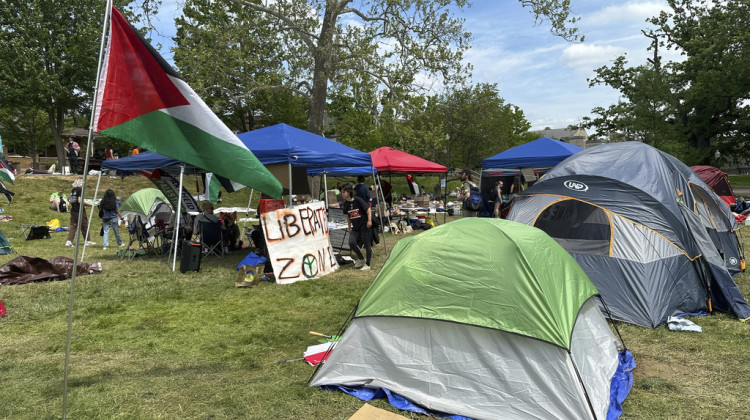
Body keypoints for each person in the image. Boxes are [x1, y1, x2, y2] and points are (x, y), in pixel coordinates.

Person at [342, 183, 372, 271]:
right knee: (351, 242)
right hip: (355, 227)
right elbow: (348, 216)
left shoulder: (358, 200)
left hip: (364, 225)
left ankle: (368, 264)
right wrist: (349, 228)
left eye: (344, 192)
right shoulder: (346, 204)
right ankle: (361, 259)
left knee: (367, 245)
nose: (342, 194)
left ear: (349, 192)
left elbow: (368, 209)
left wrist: (369, 221)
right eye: (342, 192)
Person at [66, 178, 95, 247]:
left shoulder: (72, 190)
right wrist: (89, 204)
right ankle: (87, 240)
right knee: (84, 225)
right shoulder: (79, 190)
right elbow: (80, 201)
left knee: (73, 226)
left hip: (73, 210)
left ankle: (69, 241)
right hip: (80, 211)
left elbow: (71, 200)